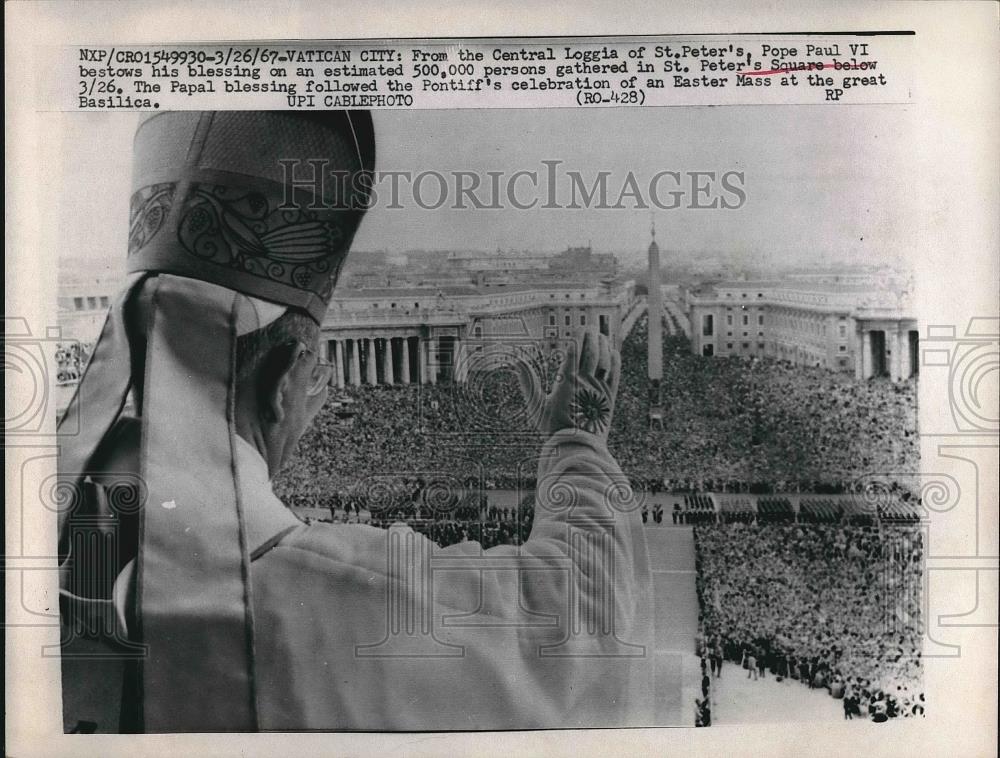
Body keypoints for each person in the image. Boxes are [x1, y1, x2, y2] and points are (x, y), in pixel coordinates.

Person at [57, 110, 654, 732]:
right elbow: (580, 629)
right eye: (313, 372)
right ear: (284, 381)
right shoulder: (341, 596)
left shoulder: (51, 550)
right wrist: (579, 443)